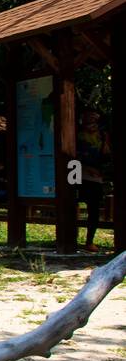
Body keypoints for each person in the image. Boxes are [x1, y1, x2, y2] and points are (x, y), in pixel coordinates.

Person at [76, 107, 111, 252]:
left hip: (95, 176)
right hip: (77, 173)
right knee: (72, 205)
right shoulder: (77, 135)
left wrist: (106, 141)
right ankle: (71, 237)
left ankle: (89, 241)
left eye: (94, 119)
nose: (92, 122)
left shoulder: (102, 136)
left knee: (94, 210)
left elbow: (106, 155)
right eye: (89, 119)